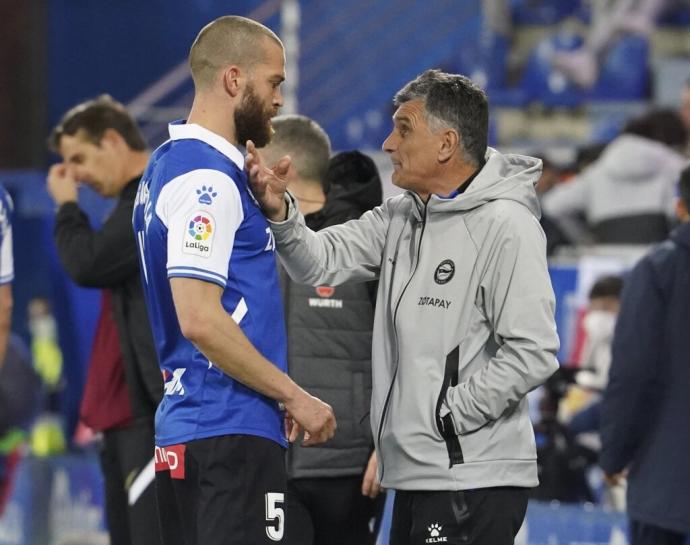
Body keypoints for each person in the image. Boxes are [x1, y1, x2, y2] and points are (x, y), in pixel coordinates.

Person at [247, 69, 560, 545]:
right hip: (417, 473)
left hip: (470, 478)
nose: (388, 143)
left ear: (446, 143)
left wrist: (448, 414)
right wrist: (282, 213)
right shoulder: (401, 215)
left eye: (404, 128)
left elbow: (533, 351)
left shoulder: (506, 225)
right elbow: (318, 262)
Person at [131, 16, 336, 545]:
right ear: (233, 79)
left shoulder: (167, 167)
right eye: (274, 83)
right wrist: (293, 395)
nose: (278, 100)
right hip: (226, 430)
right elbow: (199, 318)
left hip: (189, 430)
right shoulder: (208, 182)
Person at [46, 95, 165, 545]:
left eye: (80, 158)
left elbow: (87, 264)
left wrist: (66, 208)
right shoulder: (130, 206)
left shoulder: (149, 201)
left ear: (113, 140)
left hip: (147, 417)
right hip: (120, 416)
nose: (74, 174)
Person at [260, 115, 383, 545]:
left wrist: (388, 446)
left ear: (283, 169)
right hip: (272, 459)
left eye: (256, 162)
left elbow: (406, 351)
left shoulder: (365, 244)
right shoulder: (254, 239)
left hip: (350, 466)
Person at [600, 164, 690, 545]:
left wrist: (614, 454)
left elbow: (634, 374)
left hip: (669, 489)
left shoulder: (660, 269)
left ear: (680, 206)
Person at [542, 108, 688, 244]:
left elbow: (553, 205)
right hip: (658, 255)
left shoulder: (597, 171)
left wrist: (584, 242)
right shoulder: (673, 164)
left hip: (606, 258)